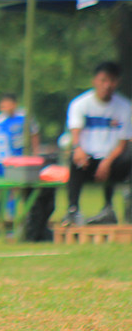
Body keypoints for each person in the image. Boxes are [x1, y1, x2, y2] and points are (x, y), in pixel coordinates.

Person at [61, 61, 132, 226]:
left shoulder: (125, 107)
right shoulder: (80, 104)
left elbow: (123, 143)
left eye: (111, 81)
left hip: (113, 159)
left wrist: (107, 162)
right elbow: (75, 133)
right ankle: (73, 209)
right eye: (103, 80)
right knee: (75, 159)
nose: (107, 85)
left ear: (117, 82)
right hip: (88, 159)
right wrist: (78, 149)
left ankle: (112, 208)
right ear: (95, 81)